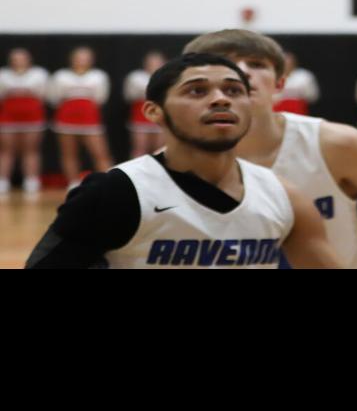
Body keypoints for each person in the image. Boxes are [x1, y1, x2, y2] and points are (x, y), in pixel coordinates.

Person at [26, 53, 338, 269]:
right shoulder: (114, 192)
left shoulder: (284, 195)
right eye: (197, 90)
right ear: (153, 111)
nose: (221, 99)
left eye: (233, 89)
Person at [184, 29, 357, 269]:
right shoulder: (178, 164)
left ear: (280, 83)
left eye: (256, 64)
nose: (243, 71)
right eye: (226, 63)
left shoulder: (335, 144)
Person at [48, 47, 114, 190]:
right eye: (78, 57)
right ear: (71, 59)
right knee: (69, 153)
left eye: (85, 57)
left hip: (90, 119)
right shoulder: (61, 76)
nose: (81, 61)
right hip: (66, 119)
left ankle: (108, 182)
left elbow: (101, 98)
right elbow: (53, 98)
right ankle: (73, 183)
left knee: (100, 153)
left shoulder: (98, 76)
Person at [0, 47, 49, 199]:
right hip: (8, 117)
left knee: (31, 149)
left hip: (32, 116)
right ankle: (3, 181)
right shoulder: (3, 75)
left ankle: (31, 180)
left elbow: (44, 94)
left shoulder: (39, 74)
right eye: (15, 59)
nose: (19, 61)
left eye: (22, 58)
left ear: (29, 60)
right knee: (7, 150)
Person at [125, 51, 167, 159]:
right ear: (145, 63)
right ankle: (134, 174)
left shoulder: (167, 77)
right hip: (140, 115)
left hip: (160, 115)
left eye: (157, 62)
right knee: (140, 148)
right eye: (151, 62)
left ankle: (159, 173)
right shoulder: (135, 77)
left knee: (160, 148)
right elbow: (130, 96)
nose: (154, 64)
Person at [273, 51, 319, 116]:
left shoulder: (304, 76)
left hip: (298, 111)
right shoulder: (272, 76)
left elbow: (312, 96)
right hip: (276, 111)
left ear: (294, 63)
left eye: (288, 62)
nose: (286, 64)